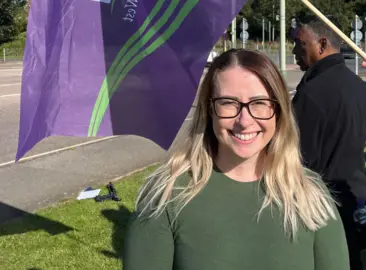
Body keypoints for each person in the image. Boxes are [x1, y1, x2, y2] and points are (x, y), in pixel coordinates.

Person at [123, 49, 349, 270]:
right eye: (228, 103)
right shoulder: (166, 196)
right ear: (209, 110)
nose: (244, 120)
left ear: (279, 112)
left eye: (259, 103)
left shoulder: (310, 195)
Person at [292, 18, 366, 270]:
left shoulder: (313, 92)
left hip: (323, 202)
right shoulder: (357, 84)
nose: (294, 51)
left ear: (322, 44)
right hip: (355, 194)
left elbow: (298, 156)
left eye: (299, 44)